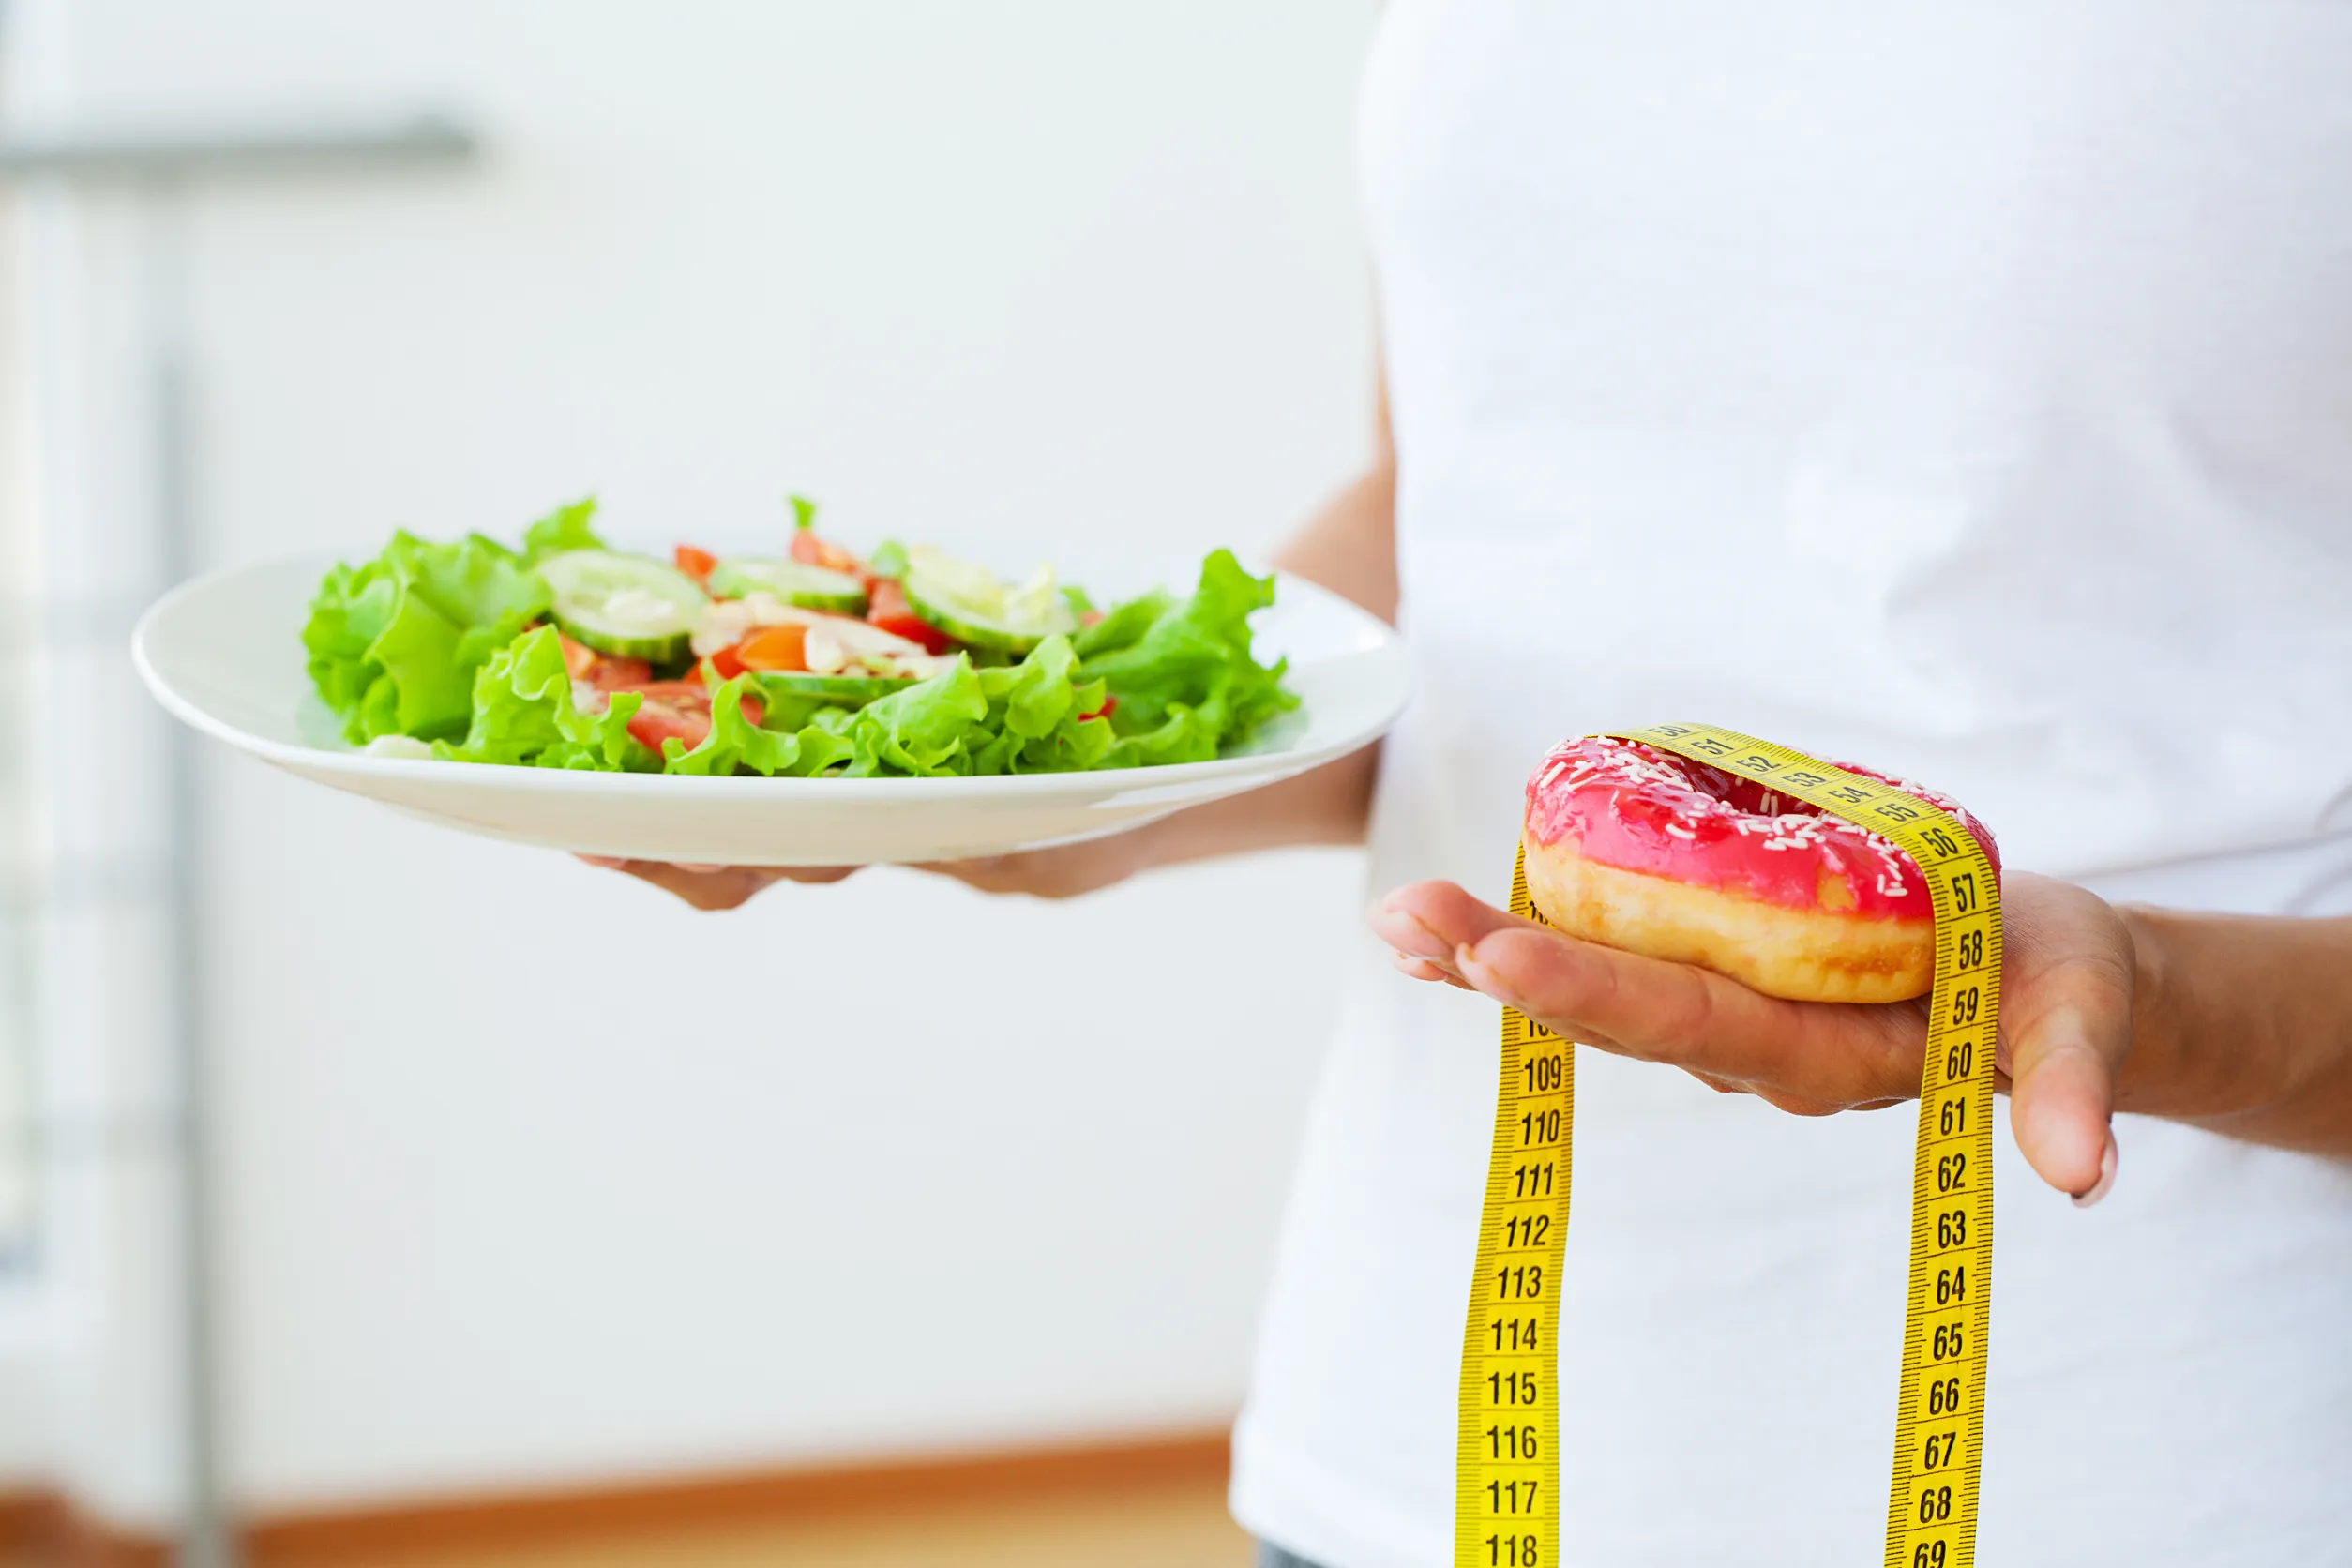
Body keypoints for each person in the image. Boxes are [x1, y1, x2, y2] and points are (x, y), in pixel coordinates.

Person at [598, 3, 2352, 1562]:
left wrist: (2163, 999)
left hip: (2157, 1451)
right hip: (1427, 1428)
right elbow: (1461, 517)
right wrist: (1066, 781)